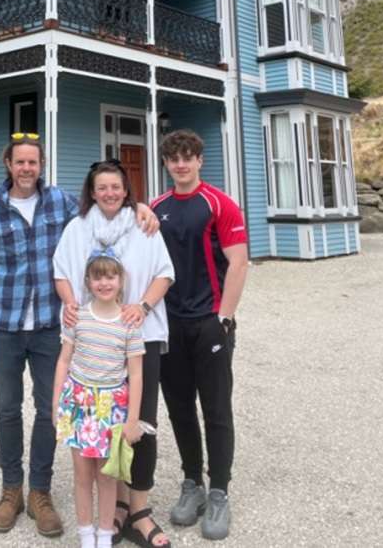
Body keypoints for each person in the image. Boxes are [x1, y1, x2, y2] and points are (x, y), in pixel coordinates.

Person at [0, 135, 159, 538]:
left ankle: (40, 492)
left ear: (41, 165)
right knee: (7, 408)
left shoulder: (62, 204)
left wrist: (138, 206)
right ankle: (11, 489)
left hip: (51, 327)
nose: (27, 169)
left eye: (34, 162)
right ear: (9, 165)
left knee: (50, 412)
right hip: (5, 327)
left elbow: (104, 209)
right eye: (21, 162)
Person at [53, 159, 174, 548]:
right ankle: (115, 508)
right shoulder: (77, 228)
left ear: (127, 190)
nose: (109, 193)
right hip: (91, 333)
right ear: (91, 191)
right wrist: (71, 302)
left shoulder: (143, 224)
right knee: (102, 429)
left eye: (116, 187)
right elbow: (60, 271)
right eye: (101, 187)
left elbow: (164, 272)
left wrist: (143, 305)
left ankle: (138, 509)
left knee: (136, 423)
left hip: (138, 331)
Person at [152, 130, 248, 541]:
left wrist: (224, 318)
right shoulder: (157, 208)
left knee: (216, 409)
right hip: (168, 324)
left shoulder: (220, 203)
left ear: (200, 160)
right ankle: (191, 482)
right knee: (179, 409)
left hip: (209, 320)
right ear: (167, 163)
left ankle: (219, 490)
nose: (181, 164)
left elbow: (239, 262)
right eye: (174, 158)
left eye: (188, 157)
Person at [53, 252, 144, 548]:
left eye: (110, 276)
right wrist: (56, 405)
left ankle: (105, 534)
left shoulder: (130, 322)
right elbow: (64, 360)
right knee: (82, 474)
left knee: (107, 475)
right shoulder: (77, 316)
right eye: (98, 276)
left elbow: (136, 373)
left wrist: (132, 420)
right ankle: (85, 534)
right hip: (78, 403)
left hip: (111, 406)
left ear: (120, 281)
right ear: (88, 281)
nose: (104, 282)